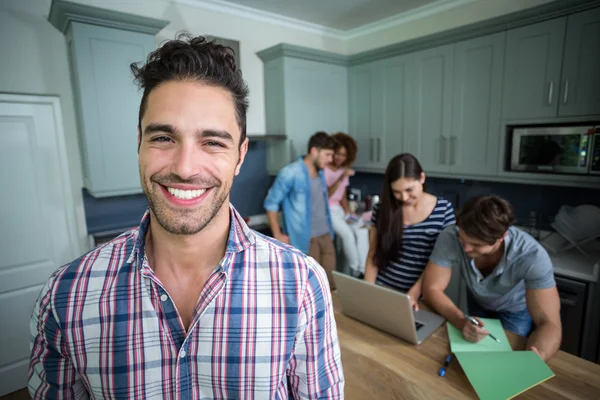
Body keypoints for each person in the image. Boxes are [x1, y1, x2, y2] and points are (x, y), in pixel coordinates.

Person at [29, 34, 344, 399]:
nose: (185, 168)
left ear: (240, 156)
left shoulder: (302, 285)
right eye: (164, 137)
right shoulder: (66, 297)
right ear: (139, 144)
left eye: (213, 142)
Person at [422, 195, 562, 361]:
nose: (466, 248)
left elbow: (549, 323)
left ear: (501, 237)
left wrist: (537, 357)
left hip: (514, 310)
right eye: (463, 239)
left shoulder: (532, 256)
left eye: (476, 244)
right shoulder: (451, 236)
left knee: (504, 360)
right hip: (477, 301)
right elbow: (431, 288)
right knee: (478, 357)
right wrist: (461, 321)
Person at [364, 153, 455, 310]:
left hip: (421, 296)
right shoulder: (382, 209)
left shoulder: (443, 209)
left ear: (422, 178)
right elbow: (373, 254)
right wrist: (367, 291)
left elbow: (438, 261)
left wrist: (414, 293)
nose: (404, 197)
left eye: (409, 189)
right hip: (384, 288)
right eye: (397, 192)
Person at [264, 132, 337, 290]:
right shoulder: (290, 173)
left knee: (330, 286)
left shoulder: (321, 172)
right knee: (311, 289)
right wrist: (277, 234)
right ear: (314, 151)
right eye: (327, 154)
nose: (331, 159)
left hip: (326, 235)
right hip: (305, 240)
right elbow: (271, 204)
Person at [324, 132, 369, 276]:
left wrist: (348, 211)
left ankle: (364, 268)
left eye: (343, 155)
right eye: (337, 153)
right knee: (347, 235)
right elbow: (327, 194)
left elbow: (342, 195)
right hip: (327, 210)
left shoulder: (343, 170)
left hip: (339, 209)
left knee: (361, 229)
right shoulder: (323, 169)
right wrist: (340, 177)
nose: (339, 158)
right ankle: (356, 269)